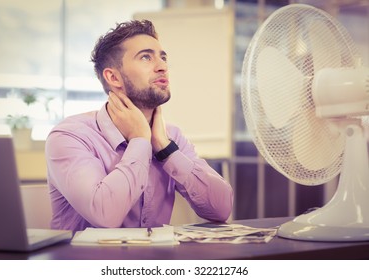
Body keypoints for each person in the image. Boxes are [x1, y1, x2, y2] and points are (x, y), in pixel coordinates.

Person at [45, 19, 233, 232]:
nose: (162, 66)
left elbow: (222, 209)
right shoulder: (69, 136)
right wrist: (140, 141)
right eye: (146, 57)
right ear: (114, 77)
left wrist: (165, 148)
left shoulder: (170, 137)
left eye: (163, 57)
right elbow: (104, 215)